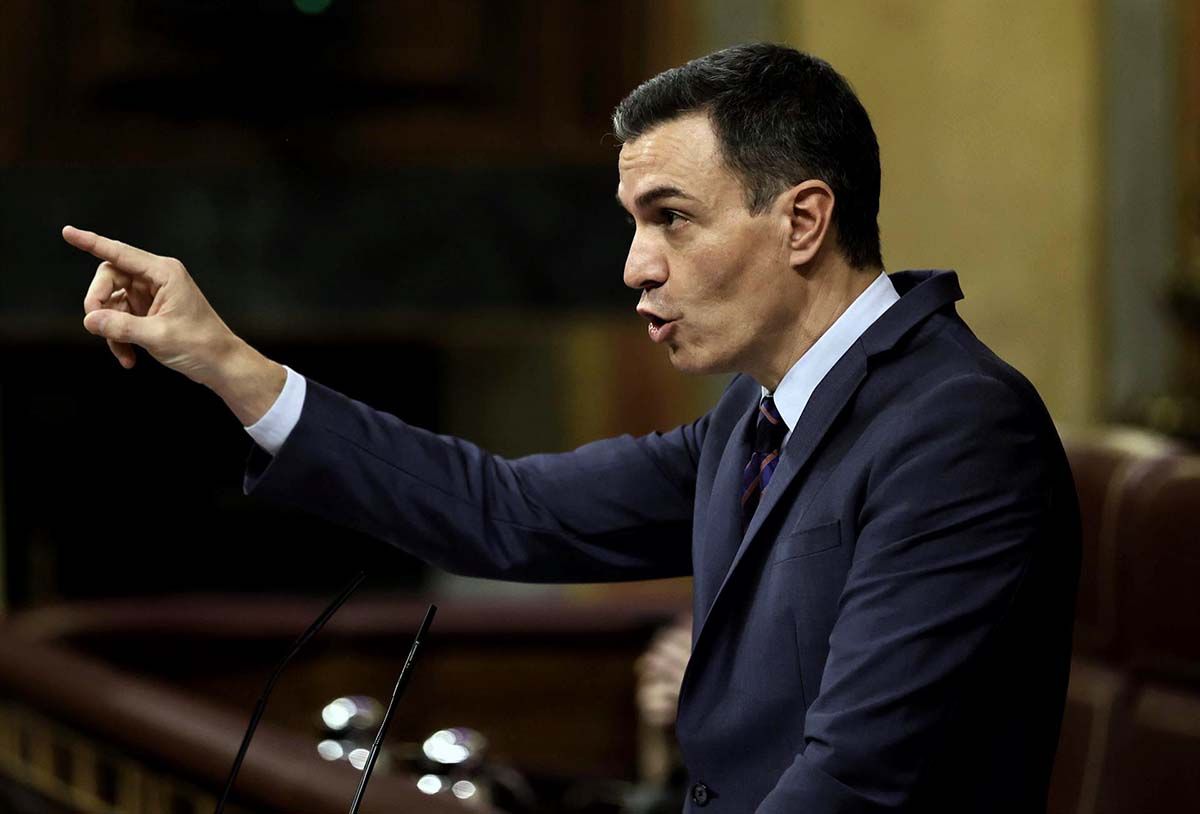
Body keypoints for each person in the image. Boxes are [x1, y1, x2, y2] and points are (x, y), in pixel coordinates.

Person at [64, 44, 1080, 813]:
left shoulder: (956, 429)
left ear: (802, 222)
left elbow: (857, 781)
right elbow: (505, 510)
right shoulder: (758, 415)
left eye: (670, 217)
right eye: (633, 221)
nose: (636, 264)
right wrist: (232, 364)